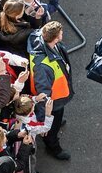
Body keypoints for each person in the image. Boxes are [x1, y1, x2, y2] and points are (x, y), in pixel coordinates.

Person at [27, 21, 73, 161]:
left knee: (58, 118)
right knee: (51, 128)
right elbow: (43, 95)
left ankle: (56, 123)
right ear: (56, 38)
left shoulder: (43, 41)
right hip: (54, 102)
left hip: (58, 98)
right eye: (61, 33)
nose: (62, 34)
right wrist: (43, 120)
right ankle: (53, 147)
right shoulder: (42, 66)